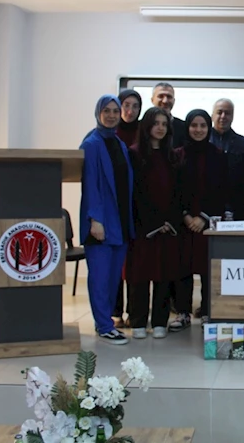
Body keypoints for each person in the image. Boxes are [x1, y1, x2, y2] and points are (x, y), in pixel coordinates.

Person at [125, 107, 185, 340]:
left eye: (164, 124)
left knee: (164, 276)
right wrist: (152, 222)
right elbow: (135, 193)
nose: (160, 128)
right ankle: (138, 320)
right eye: (156, 123)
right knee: (139, 276)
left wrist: (170, 221)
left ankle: (160, 320)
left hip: (168, 228)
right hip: (143, 227)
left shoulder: (173, 156)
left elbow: (178, 193)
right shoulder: (134, 154)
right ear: (147, 126)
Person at [79, 94, 135, 345]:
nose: (112, 115)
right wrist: (95, 220)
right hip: (100, 223)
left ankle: (106, 321)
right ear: (98, 113)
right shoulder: (91, 144)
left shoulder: (118, 143)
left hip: (120, 221)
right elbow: (90, 184)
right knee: (100, 278)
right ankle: (103, 325)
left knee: (113, 278)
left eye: (115, 111)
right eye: (107, 111)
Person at [178, 109, 229, 327]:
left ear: (209, 128)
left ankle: (208, 311)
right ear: (187, 127)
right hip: (184, 223)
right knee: (183, 268)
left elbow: (222, 191)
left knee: (208, 268)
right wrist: (186, 216)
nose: (198, 130)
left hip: (208, 223)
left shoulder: (218, 155)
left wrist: (203, 217)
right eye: (194, 125)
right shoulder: (177, 154)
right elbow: (174, 191)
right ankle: (182, 312)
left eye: (203, 126)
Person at [111, 88, 141, 328]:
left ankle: (134, 311)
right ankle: (115, 311)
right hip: (115, 205)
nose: (130, 111)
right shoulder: (109, 134)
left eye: (135, 106)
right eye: (126, 105)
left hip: (138, 206)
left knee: (134, 264)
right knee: (116, 262)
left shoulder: (144, 132)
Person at [210, 98, 244, 221]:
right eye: (219, 112)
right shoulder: (203, 141)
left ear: (233, 116)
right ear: (212, 115)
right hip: (208, 208)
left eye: (228, 113)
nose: (223, 116)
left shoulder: (243, 143)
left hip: (237, 208)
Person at [151, 82, 186, 147]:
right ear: (152, 100)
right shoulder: (140, 127)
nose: (165, 101)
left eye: (169, 97)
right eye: (161, 96)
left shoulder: (184, 128)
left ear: (174, 101)